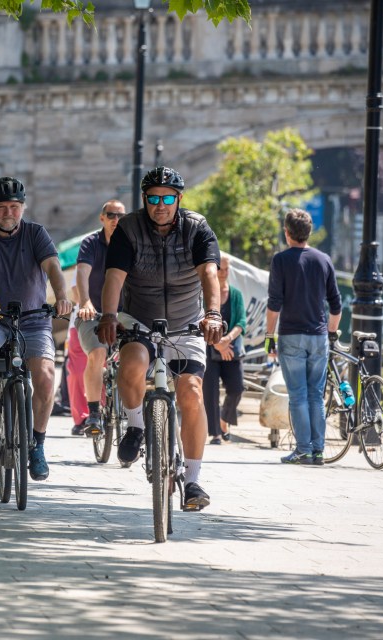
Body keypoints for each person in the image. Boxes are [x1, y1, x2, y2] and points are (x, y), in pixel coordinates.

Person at [97, 166, 223, 512]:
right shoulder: (128, 229)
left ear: (179, 199)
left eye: (168, 198)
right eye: (153, 198)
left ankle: (193, 480)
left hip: (186, 322)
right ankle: (137, 426)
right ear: (144, 200)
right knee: (133, 363)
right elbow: (114, 278)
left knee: (191, 393)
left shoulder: (197, 229)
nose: (160, 205)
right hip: (140, 318)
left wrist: (213, 314)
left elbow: (210, 273)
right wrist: (109, 316)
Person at [0, 177, 74, 481]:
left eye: (15, 207)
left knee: (46, 377)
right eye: (2, 207)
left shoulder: (35, 234)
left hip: (33, 320)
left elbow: (53, 268)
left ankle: (38, 444)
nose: (9, 212)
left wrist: (61, 297)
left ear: (23, 207)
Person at [265, 209, 342, 466]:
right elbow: (336, 305)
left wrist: (269, 337)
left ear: (287, 233)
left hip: (291, 335)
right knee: (315, 395)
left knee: (298, 395)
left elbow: (274, 303)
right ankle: (318, 450)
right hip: (318, 336)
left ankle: (303, 449)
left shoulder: (281, 261)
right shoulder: (324, 260)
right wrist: (330, 333)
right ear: (308, 232)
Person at [74, 199, 126, 437]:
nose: (116, 220)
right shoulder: (91, 243)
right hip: (93, 313)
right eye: (111, 215)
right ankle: (94, 413)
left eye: (121, 216)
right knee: (98, 353)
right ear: (102, 218)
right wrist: (85, 302)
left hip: (124, 313)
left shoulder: (131, 243)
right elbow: (82, 274)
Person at [204, 255, 246, 445]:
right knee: (210, 391)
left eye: (228, 269)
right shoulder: (205, 293)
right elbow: (200, 320)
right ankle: (216, 434)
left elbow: (241, 322)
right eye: (221, 269)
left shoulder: (236, 294)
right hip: (210, 348)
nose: (224, 273)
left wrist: (226, 339)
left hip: (230, 348)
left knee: (237, 387)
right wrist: (216, 343)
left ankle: (224, 420)